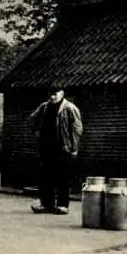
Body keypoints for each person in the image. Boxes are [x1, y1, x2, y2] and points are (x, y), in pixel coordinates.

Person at [29, 86, 83, 215]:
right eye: (50, 94)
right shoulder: (44, 107)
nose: (52, 97)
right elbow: (32, 119)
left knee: (63, 177)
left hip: (63, 148)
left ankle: (63, 205)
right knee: (45, 177)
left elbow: (77, 129)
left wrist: (73, 148)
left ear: (62, 93)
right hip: (46, 148)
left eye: (55, 94)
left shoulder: (70, 108)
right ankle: (46, 204)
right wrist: (37, 133)